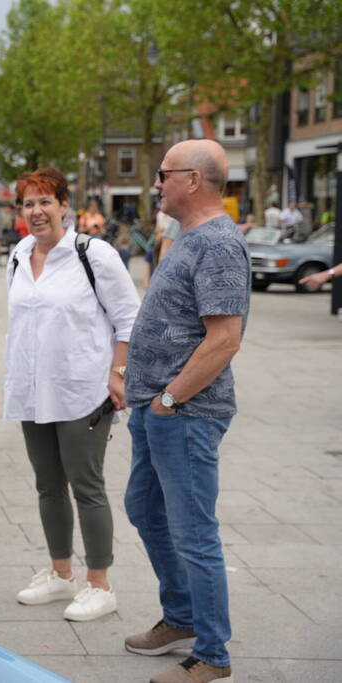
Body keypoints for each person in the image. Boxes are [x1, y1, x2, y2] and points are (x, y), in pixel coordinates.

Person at [123, 139, 248, 683]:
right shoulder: (190, 238)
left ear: (193, 180)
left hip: (185, 414)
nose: (157, 184)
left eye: (163, 174)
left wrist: (171, 399)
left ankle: (213, 655)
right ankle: (181, 618)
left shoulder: (219, 244)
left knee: (194, 531)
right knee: (145, 510)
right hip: (158, 411)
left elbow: (224, 340)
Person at [4, 168, 139, 622]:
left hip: (82, 390)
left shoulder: (93, 254)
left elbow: (128, 319)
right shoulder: (19, 254)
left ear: (65, 205)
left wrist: (117, 375)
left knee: (87, 486)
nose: (37, 211)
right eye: (28, 203)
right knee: (47, 485)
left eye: (45, 201)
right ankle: (61, 574)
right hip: (32, 390)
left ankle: (100, 584)